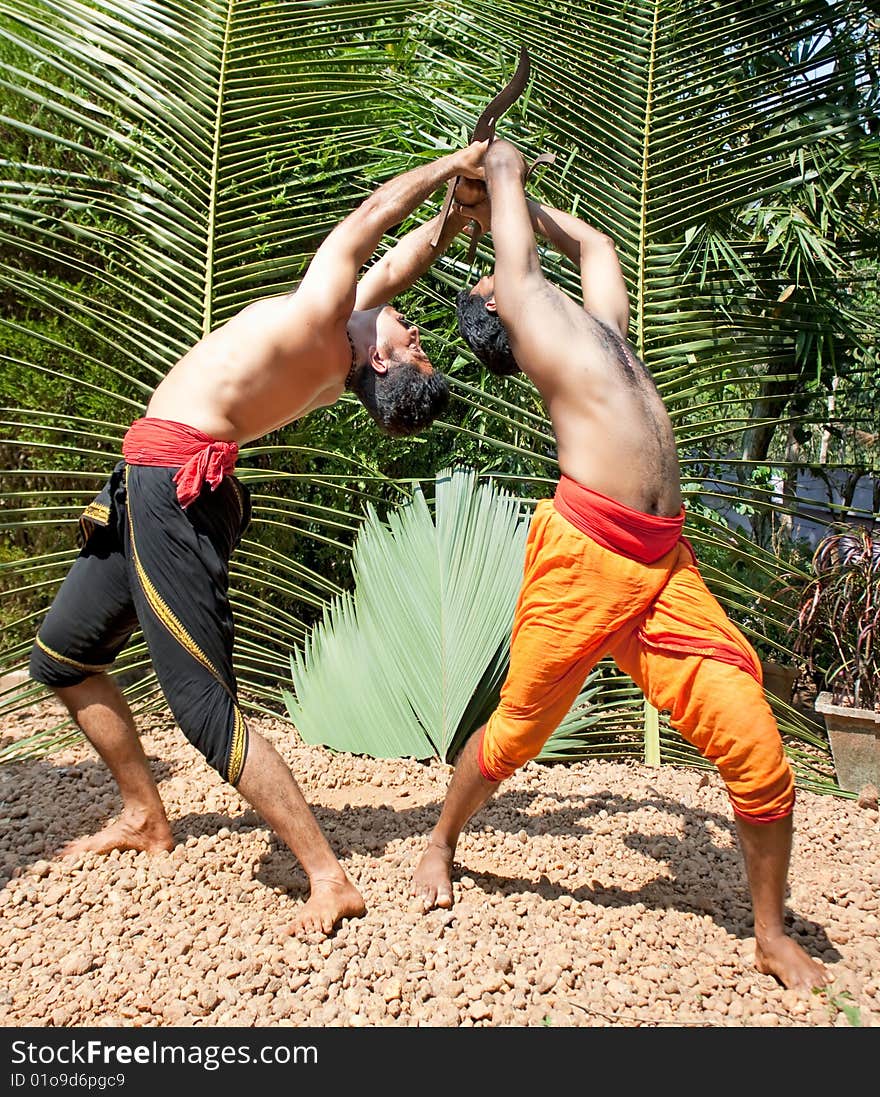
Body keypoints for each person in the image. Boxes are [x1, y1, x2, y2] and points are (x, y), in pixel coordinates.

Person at [28, 139, 488, 938]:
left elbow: (370, 221)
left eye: (414, 344)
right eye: (421, 337)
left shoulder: (319, 322)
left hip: (171, 494)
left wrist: (450, 165)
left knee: (203, 707)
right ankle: (145, 813)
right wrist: (457, 215)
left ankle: (326, 874)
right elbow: (403, 258)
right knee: (63, 656)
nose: (419, 333)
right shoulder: (341, 335)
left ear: (380, 360)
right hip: (146, 483)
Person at [411, 140, 832, 992]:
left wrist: (507, 204)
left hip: (664, 565)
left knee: (754, 742)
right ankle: (441, 840)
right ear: (494, 301)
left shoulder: (595, 329)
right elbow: (517, 235)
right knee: (515, 732)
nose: (511, 264)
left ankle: (769, 933)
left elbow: (595, 246)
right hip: (581, 560)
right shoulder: (528, 320)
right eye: (500, 267)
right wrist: (495, 173)